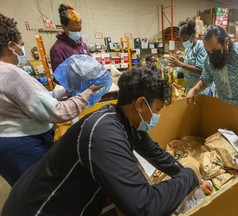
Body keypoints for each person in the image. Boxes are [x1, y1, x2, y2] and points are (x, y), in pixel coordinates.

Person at [2, 65, 212, 216]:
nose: (156, 116)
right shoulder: (104, 134)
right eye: (156, 110)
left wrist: (190, 176)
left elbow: (155, 153)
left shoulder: (124, 120)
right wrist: (188, 177)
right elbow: (144, 206)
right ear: (140, 104)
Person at [0, 13, 102, 186]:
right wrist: (88, 92)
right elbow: (57, 111)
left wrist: (65, 90)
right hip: (22, 144)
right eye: (22, 45)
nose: (23, 49)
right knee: (42, 187)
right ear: (11, 46)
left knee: (25, 188)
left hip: (9, 144)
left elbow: (33, 99)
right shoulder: (11, 73)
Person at [169, 18, 213, 95]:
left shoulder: (201, 47)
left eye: (184, 41)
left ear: (192, 36)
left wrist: (180, 64)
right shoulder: (188, 48)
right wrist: (181, 60)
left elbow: (201, 70)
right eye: (181, 40)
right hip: (190, 87)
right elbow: (189, 62)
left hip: (201, 90)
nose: (183, 43)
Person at [50, 3, 90, 73]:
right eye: (74, 30)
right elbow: (58, 77)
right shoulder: (57, 50)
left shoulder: (83, 45)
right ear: (64, 27)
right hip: (72, 84)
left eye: (79, 30)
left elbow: (91, 64)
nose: (77, 32)